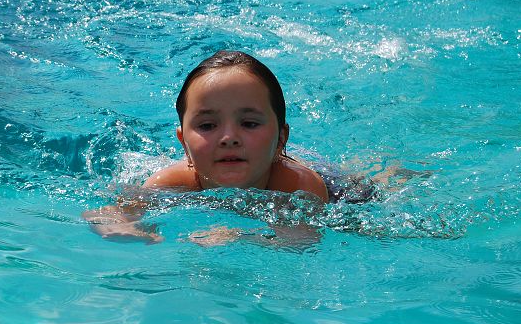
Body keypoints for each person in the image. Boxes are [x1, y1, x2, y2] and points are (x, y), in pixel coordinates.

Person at [83, 50, 349, 247]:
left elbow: (301, 240)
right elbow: (107, 214)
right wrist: (124, 228)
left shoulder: (298, 186)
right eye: (208, 125)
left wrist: (239, 236)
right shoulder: (172, 182)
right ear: (183, 143)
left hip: (332, 183)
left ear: (281, 138)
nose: (229, 138)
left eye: (249, 123)